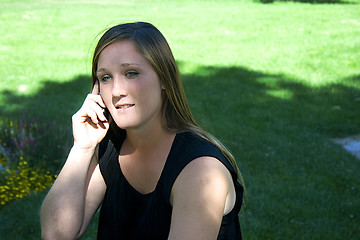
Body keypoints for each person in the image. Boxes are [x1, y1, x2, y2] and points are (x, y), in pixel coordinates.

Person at [40, 22, 244, 240]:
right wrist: (82, 148)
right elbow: (55, 234)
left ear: (165, 78)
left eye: (131, 73)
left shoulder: (201, 171)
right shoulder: (111, 146)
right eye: (105, 78)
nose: (117, 91)